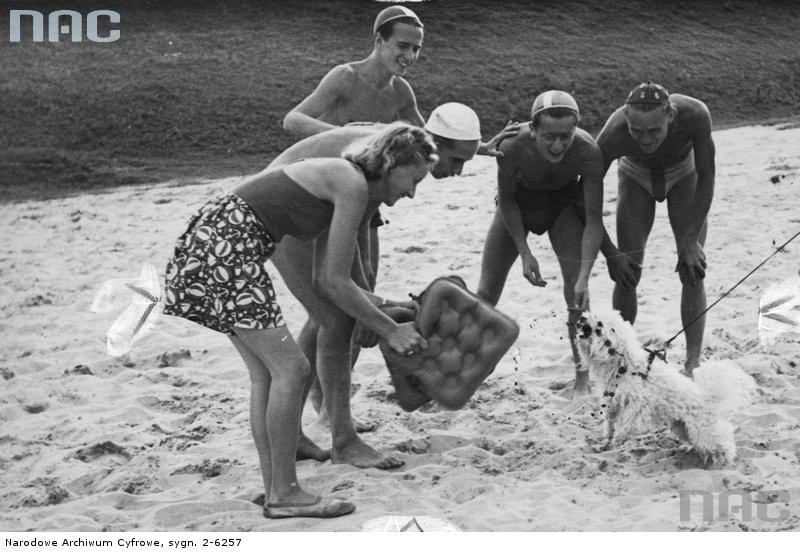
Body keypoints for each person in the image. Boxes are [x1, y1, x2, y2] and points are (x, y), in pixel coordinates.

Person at [162, 123, 437, 518]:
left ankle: (276, 488)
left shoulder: (349, 187)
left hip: (213, 244)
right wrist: (389, 329)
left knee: (269, 374)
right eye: (413, 179)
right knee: (291, 369)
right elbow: (333, 282)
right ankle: (284, 493)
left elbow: (327, 278)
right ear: (392, 163)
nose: (412, 191)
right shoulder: (352, 184)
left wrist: (393, 308)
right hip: (227, 247)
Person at [268, 103, 503, 469]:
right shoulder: (379, 159)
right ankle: (340, 437)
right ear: (432, 146)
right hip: (287, 215)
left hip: (311, 207)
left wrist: (375, 305)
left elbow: (357, 255)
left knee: (340, 314)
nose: (457, 172)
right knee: (335, 317)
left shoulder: (391, 151)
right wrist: (382, 322)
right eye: (456, 161)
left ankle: (310, 430)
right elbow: (338, 278)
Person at [476, 91, 605, 395]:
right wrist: (525, 253)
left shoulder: (588, 151)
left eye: (566, 136)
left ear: (576, 129)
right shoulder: (512, 145)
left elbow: (595, 220)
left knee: (578, 295)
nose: (558, 145)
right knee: (485, 292)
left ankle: (582, 378)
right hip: (518, 207)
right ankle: (470, 366)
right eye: (549, 136)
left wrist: (585, 275)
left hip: (560, 210)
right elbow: (506, 201)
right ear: (533, 129)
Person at [596, 82, 715, 376]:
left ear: (670, 116)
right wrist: (610, 253)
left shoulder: (695, 114)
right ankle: (622, 356)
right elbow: (585, 198)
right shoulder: (612, 134)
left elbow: (708, 175)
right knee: (628, 272)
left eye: (654, 131)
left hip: (684, 174)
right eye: (637, 131)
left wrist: (689, 242)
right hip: (635, 176)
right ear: (626, 117)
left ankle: (692, 362)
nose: (645, 139)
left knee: (692, 268)